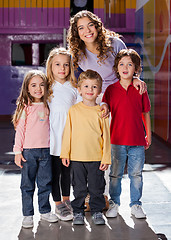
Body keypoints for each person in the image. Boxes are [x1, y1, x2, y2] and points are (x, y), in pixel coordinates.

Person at [102, 49, 151, 219]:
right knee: (115, 174)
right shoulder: (111, 90)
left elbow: (145, 113)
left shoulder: (141, 89)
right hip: (116, 140)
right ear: (116, 67)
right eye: (122, 64)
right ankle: (114, 203)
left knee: (136, 175)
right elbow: (105, 107)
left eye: (130, 64)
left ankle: (136, 204)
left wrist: (148, 135)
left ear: (136, 69)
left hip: (137, 140)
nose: (125, 67)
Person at [61, 69, 111, 225]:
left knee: (97, 188)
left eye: (94, 87)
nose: (90, 90)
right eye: (87, 86)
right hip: (76, 158)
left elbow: (106, 137)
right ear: (79, 90)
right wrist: (65, 154)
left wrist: (106, 158)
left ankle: (97, 211)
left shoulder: (101, 112)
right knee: (79, 188)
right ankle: (78, 212)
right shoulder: (74, 111)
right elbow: (67, 133)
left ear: (99, 91)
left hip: (96, 158)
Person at [12, 70, 58, 229]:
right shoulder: (25, 107)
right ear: (27, 88)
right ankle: (28, 215)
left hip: (46, 152)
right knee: (27, 185)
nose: (38, 88)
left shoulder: (48, 105)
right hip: (28, 153)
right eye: (33, 85)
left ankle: (45, 211)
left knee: (45, 184)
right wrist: (18, 151)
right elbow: (20, 131)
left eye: (42, 85)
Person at [67, 10, 147, 94]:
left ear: (97, 26)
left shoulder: (115, 44)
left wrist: (134, 78)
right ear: (77, 33)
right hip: (98, 95)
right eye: (81, 28)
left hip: (122, 89)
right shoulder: (77, 54)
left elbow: (129, 65)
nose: (87, 30)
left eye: (90, 25)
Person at [46, 47, 79, 221]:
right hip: (52, 140)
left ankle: (67, 201)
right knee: (55, 173)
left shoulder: (74, 88)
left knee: (68, 173)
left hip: (69, 139)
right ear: (51, 66)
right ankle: (58, 204)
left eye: (66, 65)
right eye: (58, 64)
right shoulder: (46, 88)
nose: (62, 68)